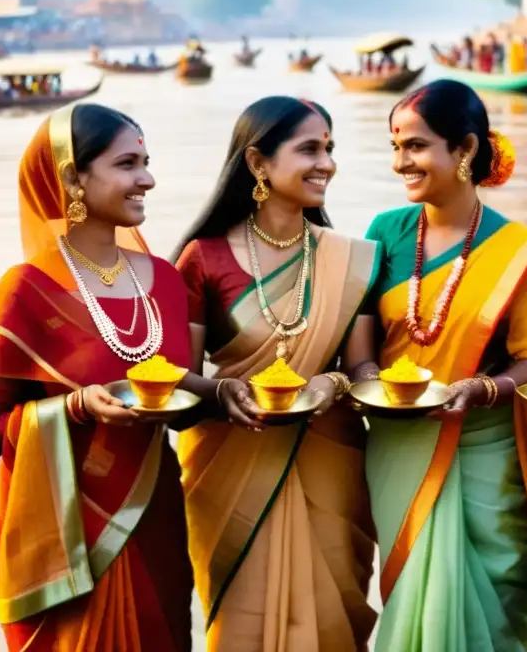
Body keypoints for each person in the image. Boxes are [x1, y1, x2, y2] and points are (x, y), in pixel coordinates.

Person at [0, 104, 196, 650]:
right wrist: (75, 407)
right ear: (72, 178)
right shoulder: (25, 292)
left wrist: (226, 393)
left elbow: (172, 385)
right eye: (127, 164)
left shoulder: (167, 283)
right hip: (63, 538)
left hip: (153, 511)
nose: (147, 179)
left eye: (147, 162)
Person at [172, 96, 381, 650]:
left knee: (334, 617)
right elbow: (177, 377)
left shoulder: (351, 258)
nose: (327, 163)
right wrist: (222, 391)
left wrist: (331, 383)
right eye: (309, 149)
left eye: (330, 149)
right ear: (259, 163)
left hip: (331, 460)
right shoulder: (203, 258)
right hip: (231, 463)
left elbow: (363, 368)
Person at [361, 79, 527, 650]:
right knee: (412, 604)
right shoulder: (384, 233)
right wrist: (371, 381)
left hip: (482, 455)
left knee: (488, 617)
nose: (402, 161)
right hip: (399, 445)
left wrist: (483, 389)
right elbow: (361, 342)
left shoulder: (520, 249)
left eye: (416, 146)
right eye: (395, 146)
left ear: (466, 149)